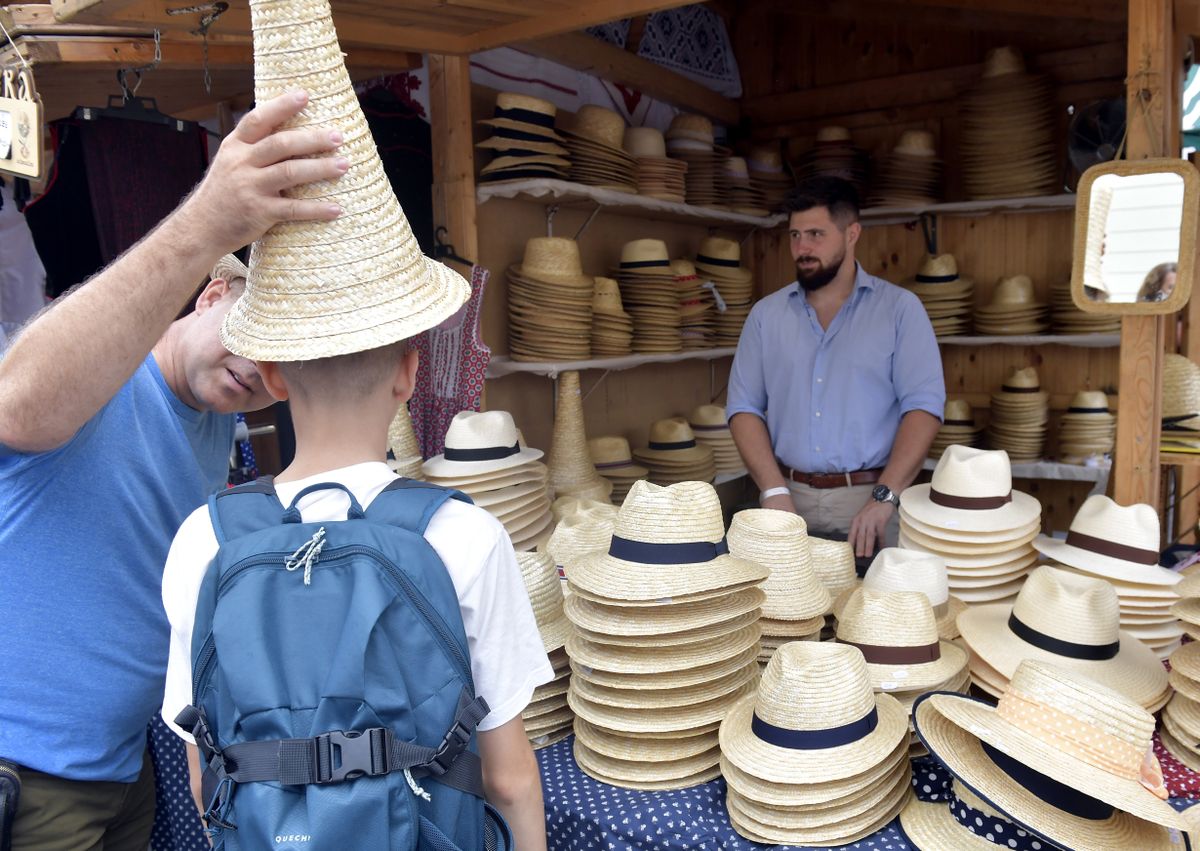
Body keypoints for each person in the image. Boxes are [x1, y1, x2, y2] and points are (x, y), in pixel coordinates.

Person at [0, 89, 348, 849]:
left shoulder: (223, 418)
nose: (260, 369)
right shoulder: (104, 365)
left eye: (284, 359)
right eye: (253, 332)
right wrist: (209, 219)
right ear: (213, 293)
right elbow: (16, 405)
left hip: (120, 765)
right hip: (28, 773)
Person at [726, 176, 945, 560]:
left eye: (815, 234)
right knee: (785, 615)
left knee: (869, 616)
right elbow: (743, 407)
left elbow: (924, 408)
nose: (802, 248)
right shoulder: (766, 315)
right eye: (794, 235)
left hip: (869, 502)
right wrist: (773, 491)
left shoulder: (899, 310)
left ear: (852, 233)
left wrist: (885, 496)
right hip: (783, 498)